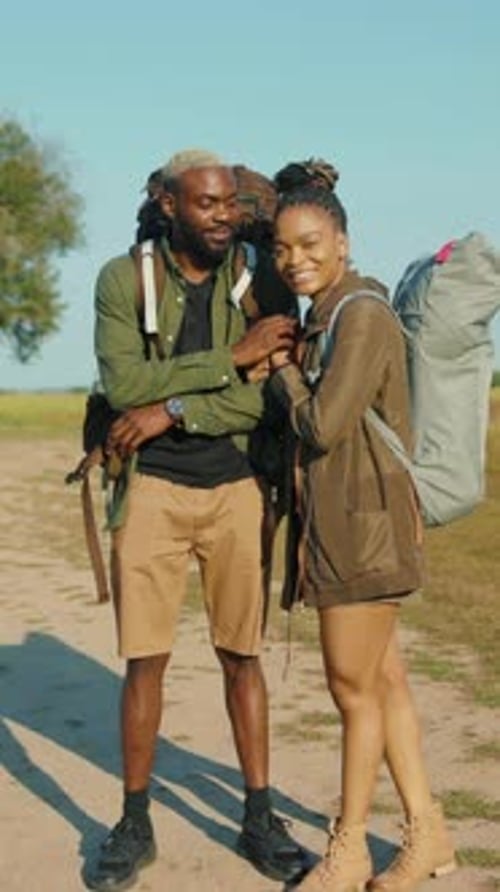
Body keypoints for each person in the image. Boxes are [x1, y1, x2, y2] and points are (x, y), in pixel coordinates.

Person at [86, 149, 306, 891]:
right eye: (206, 204)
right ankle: (134, 818)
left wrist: (170, 409)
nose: (222, 216)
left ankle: (258, 814)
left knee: (241, 655)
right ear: (169, 203)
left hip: (237, 485)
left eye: (229, 205)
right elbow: (124, 384)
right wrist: (227, 360)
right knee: (145, 659)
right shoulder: (125, 279)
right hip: (150, 489)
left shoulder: (259, 278)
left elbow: (264, 395)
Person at [266, 163, 457, 892]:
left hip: (364, 533)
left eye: (311, 244)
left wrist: (281, 372)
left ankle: (347, 849)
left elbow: (323, 424)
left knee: (353, 691)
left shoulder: (362, 314)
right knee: (385, 683)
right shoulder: (327, 315)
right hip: (351, 524)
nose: (296, 260)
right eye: (284, 249)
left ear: (342, 242)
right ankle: (427, 833)